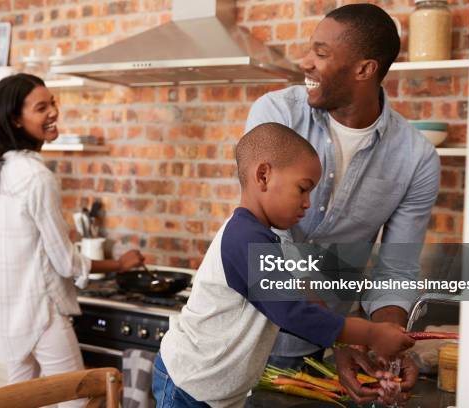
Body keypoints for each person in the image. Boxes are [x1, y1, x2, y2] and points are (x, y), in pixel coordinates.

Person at [245, 3, 440, 405]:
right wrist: (340, 333)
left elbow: (397, 268)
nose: (305, 62)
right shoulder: (277, 115)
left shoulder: (416, 158)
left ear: (364, 69)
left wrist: (387, 344)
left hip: (332, 348)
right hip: (248, 336)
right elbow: (267, 241)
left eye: (320, 53)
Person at [152, 122, 415, 407]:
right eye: (302, 189)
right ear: (263, 176)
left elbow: (292, 303)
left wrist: (342, 342)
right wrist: (373, 333)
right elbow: (291, 312)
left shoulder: (262, 239)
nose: (307, 203)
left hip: (215, 392)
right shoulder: (245, 239)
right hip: (187, 386)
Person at [0, 73, 144, 408]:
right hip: (40, 315)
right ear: (16, 120)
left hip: (4, 316)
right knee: (78, 401)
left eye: (53, 102)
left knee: (18, 403)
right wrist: (120, 263)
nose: (53, 112)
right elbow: (66, 261)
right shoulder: (37, 177)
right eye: (41, 107)